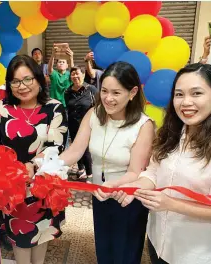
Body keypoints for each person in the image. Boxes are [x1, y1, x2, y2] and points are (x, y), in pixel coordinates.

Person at [114, 63, 211, 264]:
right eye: (179, 94)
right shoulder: (172, 131)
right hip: (159, 240)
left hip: (196, 252)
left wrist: (171, 204)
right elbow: (153, 172)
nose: (186, 102)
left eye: (196, 93)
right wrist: (134, 187)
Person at [59, 61, 155, 264]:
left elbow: (134, 171)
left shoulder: (143, 125)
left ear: (133, 92)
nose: (108, 99)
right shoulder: (93, 114)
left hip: (127, 197)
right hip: (100, 193)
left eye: (116, 93)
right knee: (104, 249)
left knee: (124, 254)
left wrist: (112, 186)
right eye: (104, 91)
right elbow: (75, 151)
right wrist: (47, 165)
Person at [0, 55, 68, 264]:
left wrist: (33, 164)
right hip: (12, 189)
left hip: (44, 187)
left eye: (28, 79)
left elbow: (57, 145)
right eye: (16, 81)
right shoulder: (2, 108)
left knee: (41, 235)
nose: (22, 86)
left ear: (38, 79)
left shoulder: (54, 108)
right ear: (9, 84)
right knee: (20, 241)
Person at [64, 65, 97, 181]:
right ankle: (81, 168)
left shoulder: (91, 89)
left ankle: (90, 174)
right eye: (72, 74)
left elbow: (98, 107)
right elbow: (68, 107)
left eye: (77, 73)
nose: (75, 76)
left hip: (88, 126)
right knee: (75, 146)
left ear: (83, 74)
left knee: (85, 149)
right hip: (73, 124)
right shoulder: (68, 92)